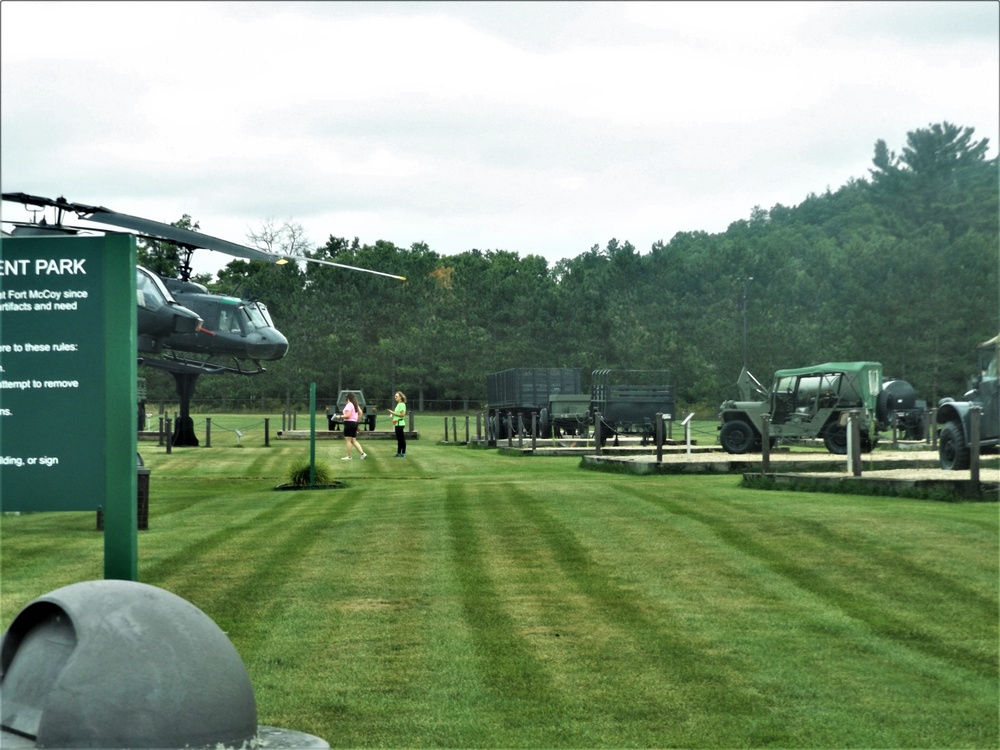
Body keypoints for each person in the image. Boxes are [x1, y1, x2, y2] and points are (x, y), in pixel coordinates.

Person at [340, 392, 366, 460]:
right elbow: (360, 413)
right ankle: (362, 454)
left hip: (349, 423)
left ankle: (349, 456)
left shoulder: (349, 405)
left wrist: (339, 416)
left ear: (348, 398)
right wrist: (356, 421)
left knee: (348, 440)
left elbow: (348, 415)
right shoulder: (355, 405)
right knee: (353, 440)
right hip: (354, 423)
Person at [389, 391, 407, 457]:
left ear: (400, 397)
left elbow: (402, 415)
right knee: (399, 439)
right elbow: (397, 413)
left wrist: (393, 413)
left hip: (400, 424)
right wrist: (392, 413)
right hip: (396, 424)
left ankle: (403, 453)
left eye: (396, 396)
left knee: (402, 439)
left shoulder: (402, 404)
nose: (395, 397)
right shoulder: (398, 404)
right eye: (395, 396)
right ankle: (399, 453)